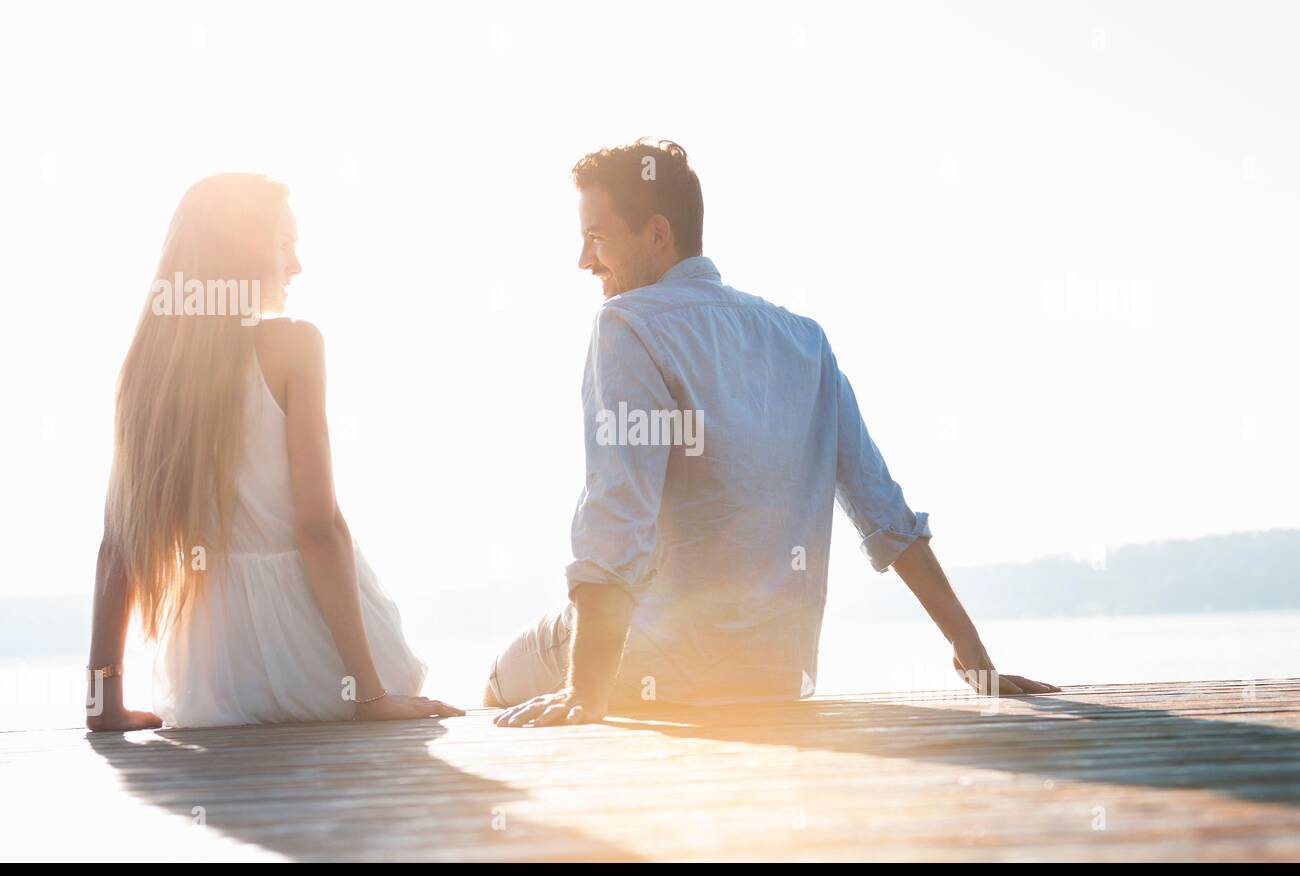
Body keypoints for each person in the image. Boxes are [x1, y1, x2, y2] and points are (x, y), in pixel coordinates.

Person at [489, 140, 1058, 728]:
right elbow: (883, 511)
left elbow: (616, 511)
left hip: (651, 667)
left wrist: (585, 692)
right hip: (772, 674)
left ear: (657, 234)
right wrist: (977, 660)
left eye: (597, 236)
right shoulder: (803, 339)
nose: (584, 259)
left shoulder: (626, 324)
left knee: (495, 684)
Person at [86, 173, 464, 730]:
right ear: (239, 252)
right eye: (284, 243)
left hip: (214, 682)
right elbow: (317, 528)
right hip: (322, 665)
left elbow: (117, 549)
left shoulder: (147, 374)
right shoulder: (294, 346)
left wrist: (103, 703)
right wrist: (368, 694)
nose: (297, 265)